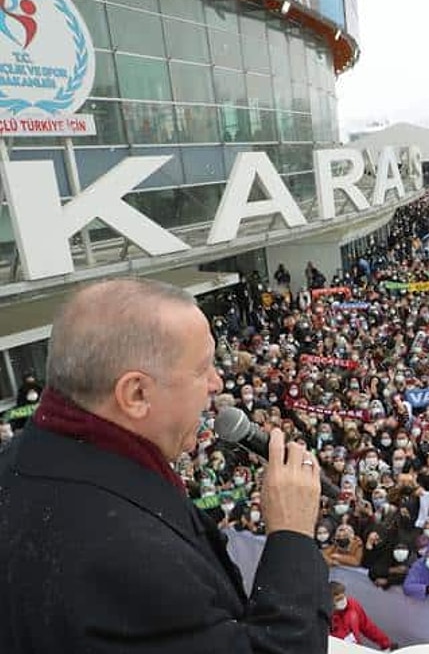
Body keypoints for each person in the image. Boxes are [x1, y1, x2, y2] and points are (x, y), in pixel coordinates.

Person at [0, 278, 330, 653]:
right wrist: (292, 536)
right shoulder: (133, 562)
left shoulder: (19, 460)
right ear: (136, 394)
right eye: (202, 369)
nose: (217, 383)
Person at [329, 580, 396, 650]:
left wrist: (385, 643)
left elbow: (367, 627)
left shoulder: (352, 606)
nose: (342, 601)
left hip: (356, 648)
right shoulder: (325, 618)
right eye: (338, 600)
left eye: (343, 597)